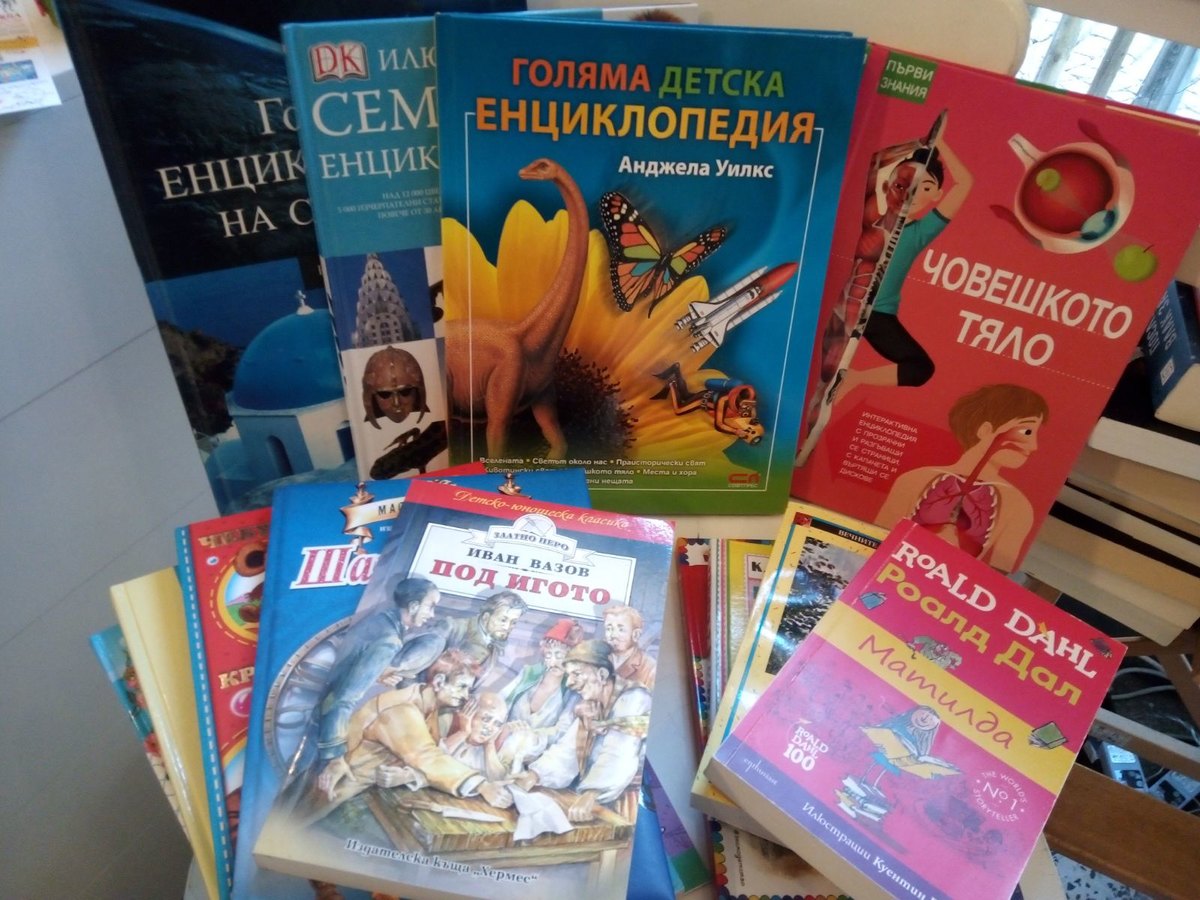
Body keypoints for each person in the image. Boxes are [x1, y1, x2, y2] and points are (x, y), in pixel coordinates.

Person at [834, 133, 973, 403]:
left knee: (921, 368)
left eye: (924, 188)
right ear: (889, 185)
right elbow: (873, 162)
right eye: (904, 182)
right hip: (843, 305)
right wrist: (917, 144)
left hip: (878, 316)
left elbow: (965, 183)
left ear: (937, 195)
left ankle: (854, 378)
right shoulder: (872, 217)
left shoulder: (920, 232)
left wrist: (940, 142)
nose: (911, 193)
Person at [313, 650, 514, 814]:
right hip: (331, 794)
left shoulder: (428, 707)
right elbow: (428, 757)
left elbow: (425, 758)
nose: (465, 696)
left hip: (360, 795)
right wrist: (482, 786)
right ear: (438, 682)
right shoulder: (402, 710)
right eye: (462, 687)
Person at [875, 383, 1047, 571]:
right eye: (1026, 432)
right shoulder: (912, 480)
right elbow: (874, 540)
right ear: (985, 430)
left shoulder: (1019, 507)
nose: (1034, 446)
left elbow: (996, 576)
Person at [313, 577, 442, 791]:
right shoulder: (389, 642)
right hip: (323, 727)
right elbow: (343, 699)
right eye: (430, 606)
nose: (432, 614)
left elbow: (351, 665)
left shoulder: (381, 620)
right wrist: (334, 758)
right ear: (413, 606)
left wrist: (375, 676)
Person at [521, 640, 652, 822]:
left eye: (576, 674)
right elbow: (568, 750)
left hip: (626, 802)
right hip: (589, 797)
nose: (569, 683)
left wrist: (591, 794)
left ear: (602, 674)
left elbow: (618, 752)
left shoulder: (634, 697)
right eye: (569, 675)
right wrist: (534, 775)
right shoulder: (591, 705)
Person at [651, 362, 764, 445]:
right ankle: (671, 383)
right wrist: (735, 431)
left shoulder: (749, 412)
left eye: (748, 436)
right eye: (752, 432)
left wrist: (741, 429)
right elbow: (719, 424)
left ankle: (676, 369)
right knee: (679, 410)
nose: (748, 433)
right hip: (703, 400)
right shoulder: (724, 400)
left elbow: (750, 417)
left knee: (685, 396)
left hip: (707, 396)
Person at [441, 589, 528, 685]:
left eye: (513, 622)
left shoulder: (495, 645)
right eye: (503, 620)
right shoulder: (452, 627)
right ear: (486, 617)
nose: (507, 627)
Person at [603, 605, 656, 691]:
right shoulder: (596, 658)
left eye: (621, 630)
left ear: (636, 634)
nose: (613, 635)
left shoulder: (650, 669)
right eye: (609, 629)